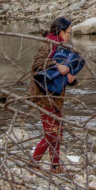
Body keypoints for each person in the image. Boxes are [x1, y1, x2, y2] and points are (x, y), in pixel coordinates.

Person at [28, 16, 75, 174]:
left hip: (55, 95)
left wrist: (70, 77)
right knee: (52, 132)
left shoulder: (61, 47)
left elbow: (59, 72)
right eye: (68, 32)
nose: (69, 35)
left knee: (58, 130)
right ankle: (33, 162)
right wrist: (57, 65)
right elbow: (37, 64)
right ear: (61, 32)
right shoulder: (48, 45)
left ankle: (55, 166)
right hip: (44, 95)